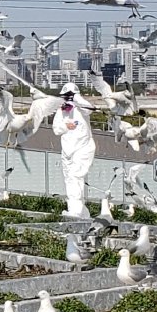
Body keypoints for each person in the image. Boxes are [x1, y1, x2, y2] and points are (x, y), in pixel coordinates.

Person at [52, 83, 95, 219]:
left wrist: (76, 97)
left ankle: (77, 211)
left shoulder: (82, 109)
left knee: (77, 177)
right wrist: (66, 125)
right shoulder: (61, 111)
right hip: (67, 151)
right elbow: (56, 129)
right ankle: (76, 210)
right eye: (65, 96)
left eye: (69, 96)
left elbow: (90, 109)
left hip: (82, 148)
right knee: (69, 180)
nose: (67, 99)